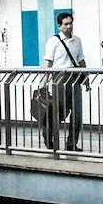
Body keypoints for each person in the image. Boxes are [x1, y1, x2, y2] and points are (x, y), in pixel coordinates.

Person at [40, 10, 87, 151]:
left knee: (77, 114)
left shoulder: (77, 40)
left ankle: (71, 143)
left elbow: (81, 59)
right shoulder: (53, 41)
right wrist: (44, 82)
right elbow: (48, 62)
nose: (69, 27)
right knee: (58, 112)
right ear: (59, 26)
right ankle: (49, 138)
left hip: (75, 78)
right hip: (59, 78)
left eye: (70, 23)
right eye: (66, 24)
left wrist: (86, 77)